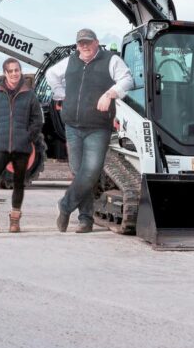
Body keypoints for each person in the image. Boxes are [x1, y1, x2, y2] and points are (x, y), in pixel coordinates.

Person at [45, 28, 133, 233]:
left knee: (91, 171)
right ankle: (85, 219)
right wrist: (61, 93)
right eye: (80, 43)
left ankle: (65, 205)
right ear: (77, 46)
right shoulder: (70, 62)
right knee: (78, 172)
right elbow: (51, 74)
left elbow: (127, 80)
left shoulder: (111, 60)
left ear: (96, 42)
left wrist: (110, 94)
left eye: (87, 42)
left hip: (98, 127)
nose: (84, 46)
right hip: (73, 126)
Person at [0, 58, 43, 234]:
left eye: (17, 70)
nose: (15, 73)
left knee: (19, 183)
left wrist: (26, 137)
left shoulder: (29, 94)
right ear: (5, 73)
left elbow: (37, 120)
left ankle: (15, 221)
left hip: (21, 148)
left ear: (20, 72)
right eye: (11, 71)